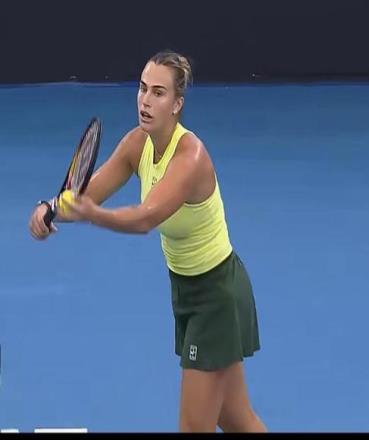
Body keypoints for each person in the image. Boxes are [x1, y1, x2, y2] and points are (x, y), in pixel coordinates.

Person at [28, 50, 267, 433]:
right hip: (187, 291)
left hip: (217, 296)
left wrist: (92, 214)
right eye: (142, 89)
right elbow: (89, 192)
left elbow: (145, 219)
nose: (145, 100)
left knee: (194, 427)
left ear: (177, 104)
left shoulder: (190, 158)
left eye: (158, 92)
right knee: (235, 418)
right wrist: (51, 207)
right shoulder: (137, 145)